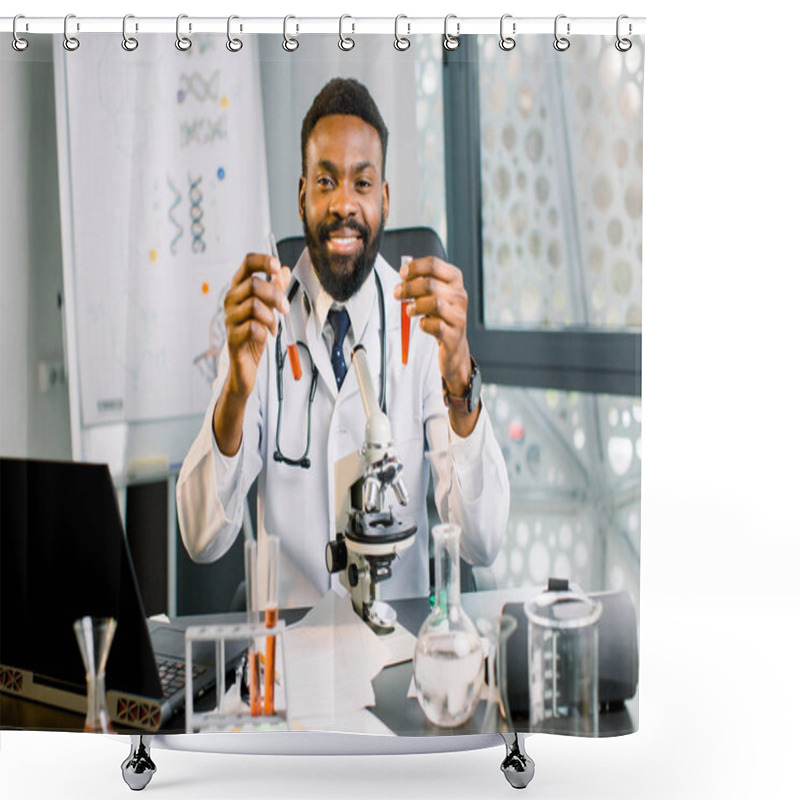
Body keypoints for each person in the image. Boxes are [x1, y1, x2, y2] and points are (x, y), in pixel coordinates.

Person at [177, 78, 509, 608]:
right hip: (285, 656)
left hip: (397, 649)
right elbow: (201, 537)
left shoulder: (419, 325)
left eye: (361, 183)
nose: (343, 204)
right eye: (326, 181)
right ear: (302, 194)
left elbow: (482, 539)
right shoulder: (263, 320)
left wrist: (459, 376)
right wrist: (236, 393)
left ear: (384, 198)